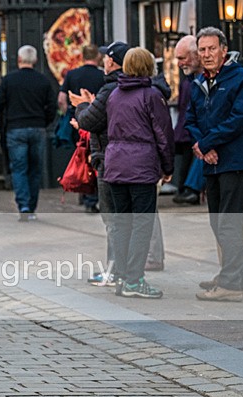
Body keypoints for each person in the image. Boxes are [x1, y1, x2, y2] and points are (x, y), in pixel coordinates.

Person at [95, 47, 174, 298]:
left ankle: (122, 276)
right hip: (141, 167)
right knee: (142, 223)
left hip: (116, 165)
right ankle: (134, 280)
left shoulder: (114, 95)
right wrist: (168, 167)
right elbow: (163, 134)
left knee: (122, 223)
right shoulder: (151, 95)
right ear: (149, 67)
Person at [186, 27, 243, 302]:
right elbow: (190, 120)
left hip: (235, 161)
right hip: (211, 163)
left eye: (211, 49)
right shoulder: (198, 83)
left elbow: (238, 119)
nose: (206, 54)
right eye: (202, 50)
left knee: (230, 224)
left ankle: (230, 284)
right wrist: (203, 145)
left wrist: (207, 143)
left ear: (224, 50)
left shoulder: (240, 77)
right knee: (218, 223)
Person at [0, 45, 56, 221]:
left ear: (19, 59)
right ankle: (32, 206)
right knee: (35, 169)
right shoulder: (43, 80)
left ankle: (24, 205)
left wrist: (1, 127)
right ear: (35, 60)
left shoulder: (9, 80)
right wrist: (44, 122)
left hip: (15, 128)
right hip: (37, 128)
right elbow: (52, 106)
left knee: (19, 169)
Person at [58, 45, 105, 213]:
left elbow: (61, 99)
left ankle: (83, 190)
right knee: (94, 156)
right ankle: (91, 196)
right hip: (97, 120)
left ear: (83, 56)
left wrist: (67, 114)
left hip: (76, 120)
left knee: (80, 155)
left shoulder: (72, 74)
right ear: (98, 56)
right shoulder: (102, 75)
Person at [173, 35, 206, 205]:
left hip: (196, 130)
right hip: (189, 129)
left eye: (182, 58)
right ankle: (187, 189)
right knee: (189, 159)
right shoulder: (189, 81)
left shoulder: (196, 81)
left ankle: (189, 189)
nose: (179, 63)